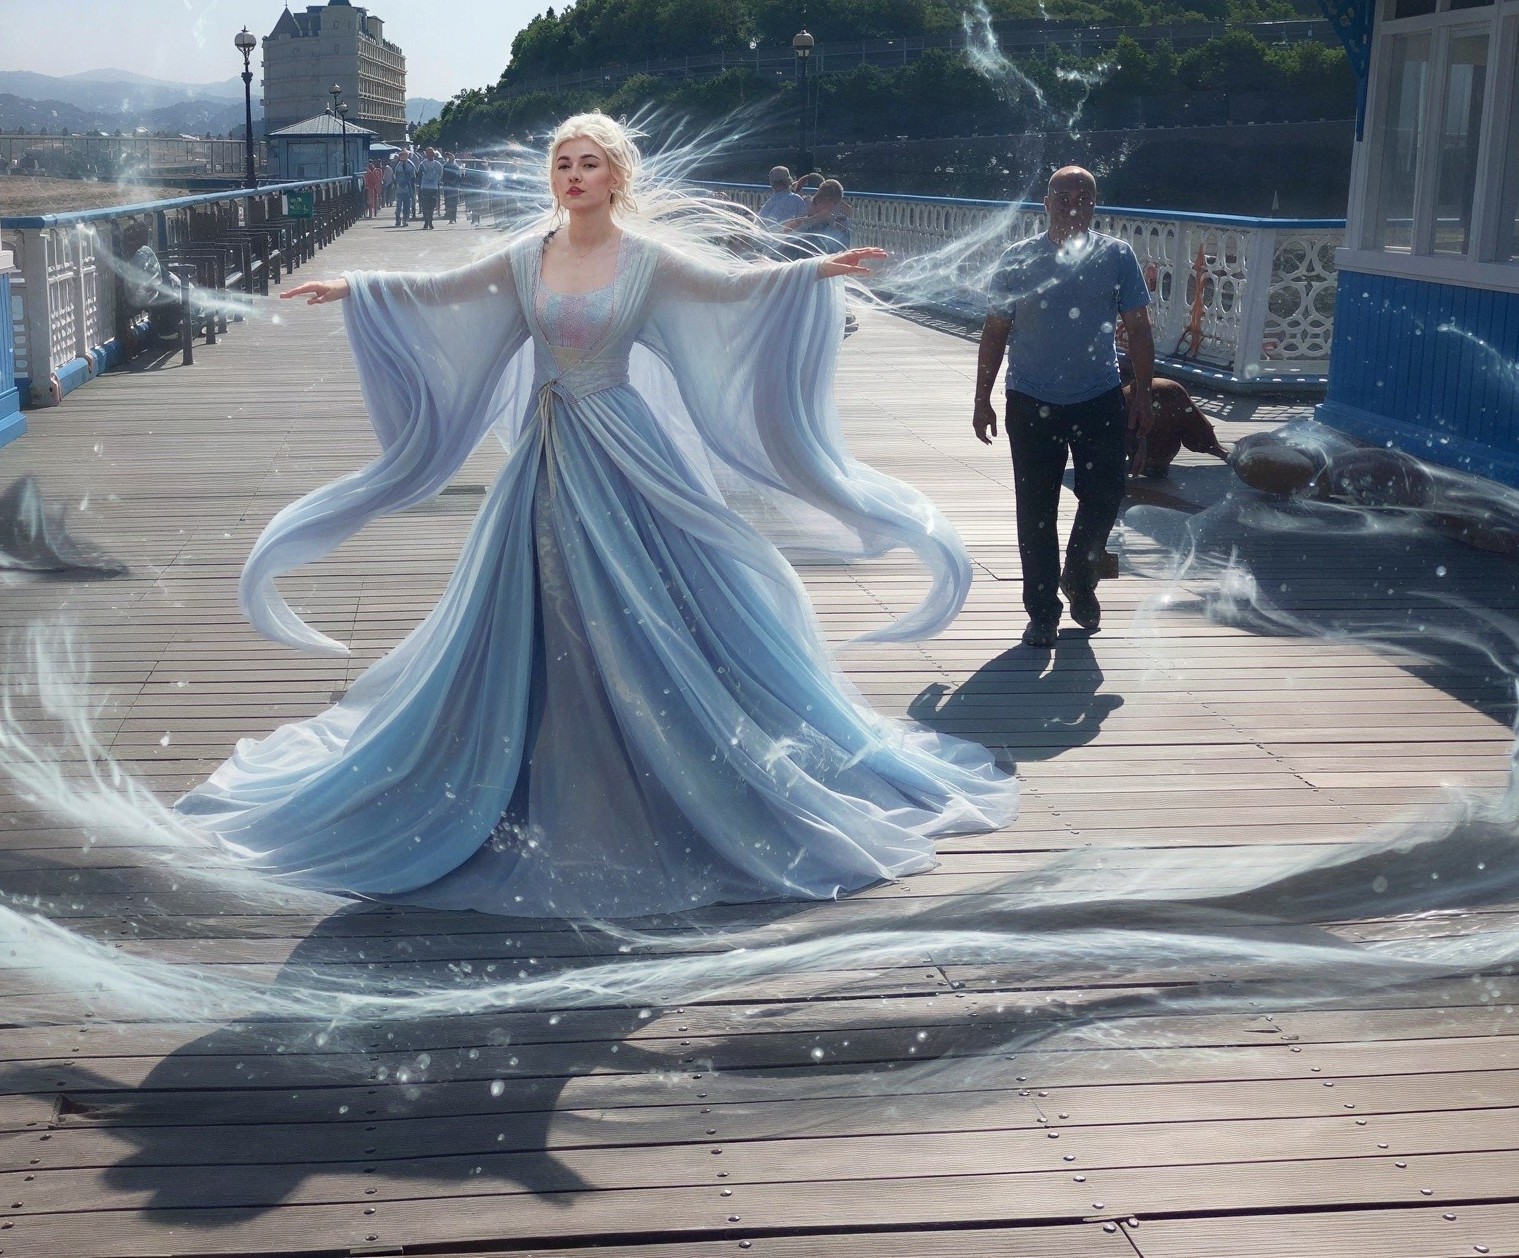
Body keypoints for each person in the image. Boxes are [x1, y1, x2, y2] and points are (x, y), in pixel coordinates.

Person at [179, 112, 1015, 918]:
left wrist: (810, 272)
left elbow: (731, 290)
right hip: (548, 453)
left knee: (653, 602)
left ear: (617, 176)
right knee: (533, 604)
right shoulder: (526, 254)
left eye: (588, 164)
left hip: (623, 448)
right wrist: (357, 285)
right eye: (561, 165)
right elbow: (443, 290)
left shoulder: (645, 259)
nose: (573, 177)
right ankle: (521, 756)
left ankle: (667, 761)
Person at [973, 166, 1155, 649]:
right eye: (1063, 195)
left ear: (1096, 204)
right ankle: (1042, 612)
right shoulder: (1018, 259)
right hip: (1032, 399)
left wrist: (1145, 398)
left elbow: (1138, 328)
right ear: (1046, 203)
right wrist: (982, 398)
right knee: (1036, 509)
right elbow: (995, 330)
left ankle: (1079, 576)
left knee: (1104, 496)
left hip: (1099, 395)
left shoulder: (1117, 256)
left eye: (1084, 196)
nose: (1073, 205)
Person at [785, 179, 852, 254]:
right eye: (817, 202)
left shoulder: (836, 221)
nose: (817, 204)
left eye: (820, 201)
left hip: (818, 248)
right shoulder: (811, 216)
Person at [417, 147, 445, 230]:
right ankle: (426, 221)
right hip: (425, 187)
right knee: (425, 205)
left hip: (433, 188)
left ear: (433, 154)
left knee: (432, 206)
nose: (429, 155)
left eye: (431, 153)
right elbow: (419, 175)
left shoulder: (437, 165)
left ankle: (430, 221)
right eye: (427, 153)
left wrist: (436, 180)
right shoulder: (422, 164)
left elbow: (440, 174)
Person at [391, 146, 415, 227]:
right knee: (399, 205)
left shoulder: (410, 164)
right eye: (402, 155)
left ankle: (405, 219)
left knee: (407, 205)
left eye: (405, 155)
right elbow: (394, 176)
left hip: (408, 188)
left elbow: (414, 176)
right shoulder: (398, 165)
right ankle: (398, 219)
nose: (404, 157)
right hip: (400, 188)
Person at [443, 153, 462, 223]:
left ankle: (453, 217)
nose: (451, 159)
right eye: (450, 158)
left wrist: (455, 183)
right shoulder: (445, 166)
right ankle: (450, 216)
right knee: (448, 202)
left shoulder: (456, 167)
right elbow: (443, 176)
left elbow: (458, 177)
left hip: (454, 187)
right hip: (448, 187)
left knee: (454, 202)